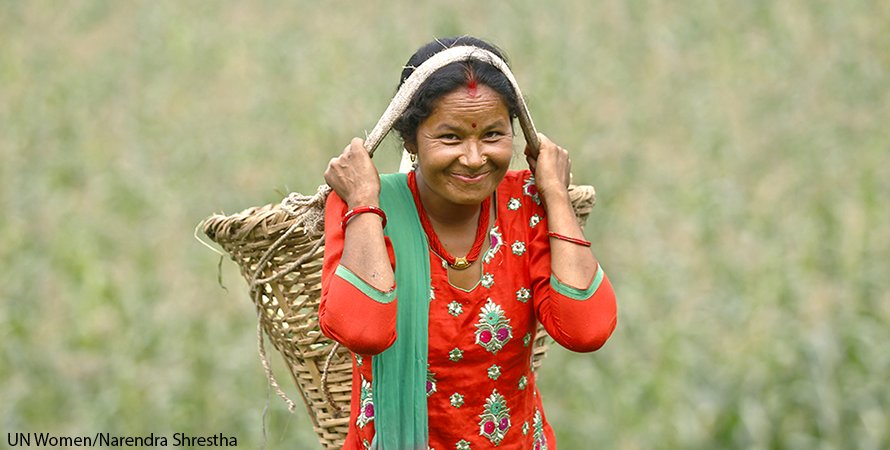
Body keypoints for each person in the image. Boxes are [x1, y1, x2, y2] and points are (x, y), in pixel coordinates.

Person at [319, 36, 617, 450]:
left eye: (493, 134)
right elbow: (363, 331)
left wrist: (554, 193)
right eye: (451, 138)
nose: (475, 158)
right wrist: (364, 203)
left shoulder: (526, 204)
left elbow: (587, 329)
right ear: (411, 140)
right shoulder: (366, 206)